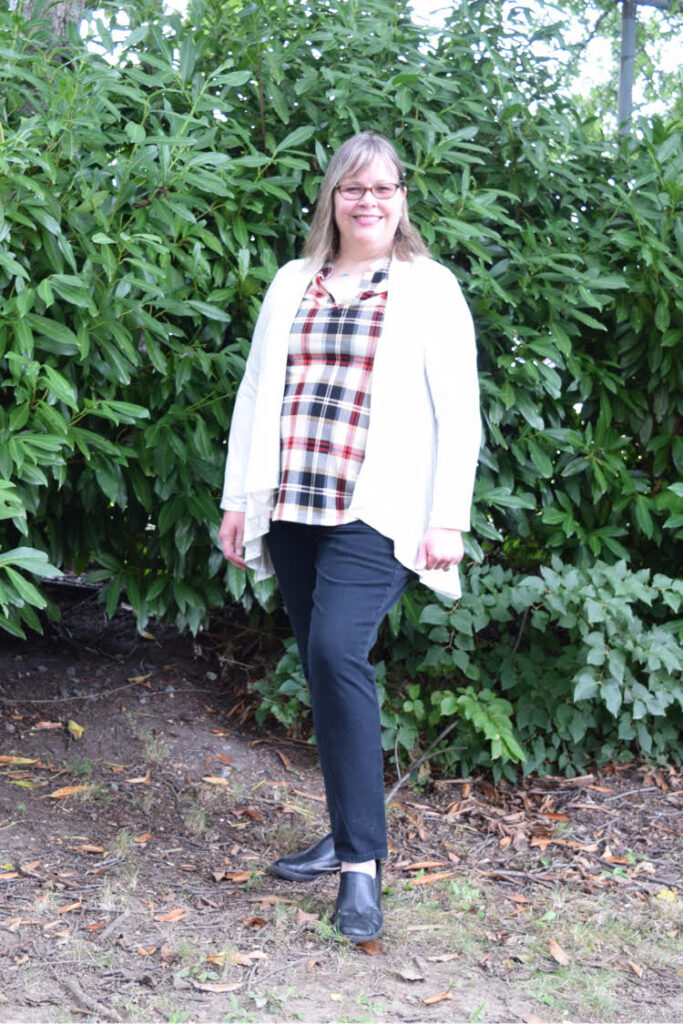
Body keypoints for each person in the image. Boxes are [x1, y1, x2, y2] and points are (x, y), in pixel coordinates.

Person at [219, 131, 480, 943]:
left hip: (379, 508)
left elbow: (459, 410)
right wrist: (239, 499)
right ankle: (343, 828)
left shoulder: (428, 287)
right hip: (296, 501)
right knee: (323, 670)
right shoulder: (295, 280)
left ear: (402, 198)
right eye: (353, 189)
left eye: (384, 189)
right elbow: (259, 387)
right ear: (330, 198)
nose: (369, 202)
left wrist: (448, 516)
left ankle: (362, 869)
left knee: (336, 653)